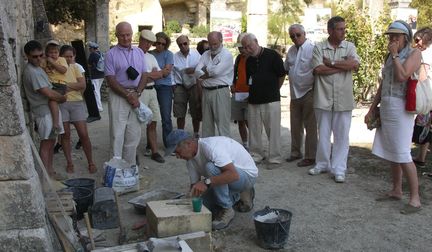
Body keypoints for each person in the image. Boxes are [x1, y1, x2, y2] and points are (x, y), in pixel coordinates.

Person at [366, 20, 422, 214]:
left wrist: (395, 55)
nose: (392, 39)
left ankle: (415, 198)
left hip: (402, 107)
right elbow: (383, 85)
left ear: (405, 37)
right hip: (388, 105)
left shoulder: (414, 53)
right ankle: (396, 190)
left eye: (396, 36)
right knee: (392, 151)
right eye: (390, 36)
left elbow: (402, 75)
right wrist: (373, 107)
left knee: (402, 152)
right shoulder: (389, 57)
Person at [165, 129, 258, 230]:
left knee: (211, 168)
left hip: (247, 175)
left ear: (188, 143)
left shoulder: (210, 147)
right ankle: (237, 195)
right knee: (205, 206)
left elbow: (233, 175)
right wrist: (187, 201)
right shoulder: (190, 161)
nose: (177, 157)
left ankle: (227, 208)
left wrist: (206, 182)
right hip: (229, 178)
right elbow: (195, 187)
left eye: (178, 152)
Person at [308, 16, 360, 183]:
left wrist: (330, 62)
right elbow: (318, 70)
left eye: (344, 29)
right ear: (330, 30)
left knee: (342, 136)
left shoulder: (350, 47)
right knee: (322, 133)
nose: (343, 32)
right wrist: (343, 66)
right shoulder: (319, 47)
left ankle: (339, 169)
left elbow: (354, 65)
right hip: (323, 98)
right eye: (340, 29)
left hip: (344, 100)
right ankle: (322, 164)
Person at [105, 22, 148, 165]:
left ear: (132, 34)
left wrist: (137, 93)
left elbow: (144, 75)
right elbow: (110, 79)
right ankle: (115, 170)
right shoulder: (110, 54)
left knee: (133, 135)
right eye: (122, 35)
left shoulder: (139, 52)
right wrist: (128, 95)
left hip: (136, 95)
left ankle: (129, 170)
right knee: (117, 134)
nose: (125, 38)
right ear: (116, 35)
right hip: (119, 96)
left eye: (128, 34)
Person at [22, 40, 66, 179]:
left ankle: (50, 171)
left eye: (41, 55)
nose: (39, 59)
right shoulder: (32, 72)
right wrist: (62, 98)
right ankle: (45, 176)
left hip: (48, 109)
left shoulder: (38, 68)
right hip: (43, 112)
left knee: (51, 141)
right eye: (35, 56)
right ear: (27, 56)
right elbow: (47, 93)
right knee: (46, 143)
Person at [241, 33, 285, 165]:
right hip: (253, 100)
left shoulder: (272, 55)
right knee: (254, 130)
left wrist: (274, 89)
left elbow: (281, 75)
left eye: (250, 46)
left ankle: (274, 158)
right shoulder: (248, 60)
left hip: (271, 99)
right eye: (245, 47)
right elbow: (250, 80)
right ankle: (256, 155)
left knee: (273, 131)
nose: (248, 49)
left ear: (256, 41)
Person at [58, 45, 96, 174]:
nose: (68, 59)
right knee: (66, 135)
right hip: (62, 103)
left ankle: (91, 161)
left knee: (84, 134)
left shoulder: (75, 67)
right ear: (60, 56)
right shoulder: (56, 69)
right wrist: (72, 87)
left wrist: (65, 85)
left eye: (70, 56)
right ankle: (69, 162)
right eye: (65, 56)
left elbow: (82, 85)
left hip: (77, 103)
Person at [284, 24, 317, 167]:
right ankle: (295, 152)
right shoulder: (291, 51)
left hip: (309, 92)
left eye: (298, 35)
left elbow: (318, 69)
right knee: (295, 125)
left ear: (304, 34)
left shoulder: (312, 48)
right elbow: (286, 69)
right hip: (294, 93)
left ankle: (311, 156)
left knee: (310, 126)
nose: (295, 38)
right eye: (292, 36)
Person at [195, 31, 233, 137]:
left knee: (222, 125)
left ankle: (224, 152)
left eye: (215, 44)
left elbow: (216, 72)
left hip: (220, 91)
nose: (212, 46)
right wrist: (208, 73)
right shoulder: (205, 54)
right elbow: (197, 72)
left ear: (221, 41)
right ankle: (209, 151)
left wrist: (206, 72)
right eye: (210, 43)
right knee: (206, 126)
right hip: (206, 91)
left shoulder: (227, 55)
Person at [138, 30, 165, 163]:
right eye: (146, 41)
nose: (148, 45)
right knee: (136, 123)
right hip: (140, 91)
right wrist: (149, 75)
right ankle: (132, 153)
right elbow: (135, 78)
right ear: (140, 40)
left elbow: (160, 74)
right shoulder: (134, 54)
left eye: (150, 42)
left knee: (153, 121)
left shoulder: (151, 56)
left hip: (151, 90)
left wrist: (146, 75)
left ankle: (154, 151)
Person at [172, 35, 202, 138]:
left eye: (185, 43)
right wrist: (173, 85)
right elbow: (172, 72)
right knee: (180, 112)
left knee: (195, 110)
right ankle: (180, 134)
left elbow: (201, 68)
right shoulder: (175, 56)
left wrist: (193, 70)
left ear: (188, 42)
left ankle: (196, 134)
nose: (183, 46)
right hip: (180, 86)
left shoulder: (196, 54)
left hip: (193, 85)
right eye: (180, 44)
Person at [411, 27, 432, 169]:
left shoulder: (426, 53)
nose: (417, 43)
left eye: (418, 40)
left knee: (424, 126)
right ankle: (421, 157)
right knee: (428, 127)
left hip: (428, 95)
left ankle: (420, 157)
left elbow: (423, 76)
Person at [150, 32, 174, 148]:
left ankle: (169, 144)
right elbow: (146, 71)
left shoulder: (169, 54)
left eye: (163, 44)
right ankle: (150, 145)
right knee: (150, 117)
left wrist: (153, 73)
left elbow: (166, 73)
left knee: (166, 117)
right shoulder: (149, 54)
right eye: (158, 43)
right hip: (151, 86)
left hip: (165, 87)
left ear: (166, 44)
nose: (160, 46)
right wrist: (159, 72)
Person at [41, 40, 68, 134]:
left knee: (52, 101)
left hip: (60, 85)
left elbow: (63, 70)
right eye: (51, 52)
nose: (53, 54)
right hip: (49, 85)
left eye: (55, 52)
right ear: (47, 53)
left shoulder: (61, 60)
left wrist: (52, 62)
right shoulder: (45, 61)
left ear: (59, 53)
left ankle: (56, 123)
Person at [231, 33, 249, 149]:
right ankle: (245, 144)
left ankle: (255, 145)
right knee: (240, 120)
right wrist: (233, 84)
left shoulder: (253, 58)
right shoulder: (238, 58)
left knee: (250, 121)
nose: (240, 49)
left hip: (249, 94)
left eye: (242, 47)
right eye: (239, 47)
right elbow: (235, 73)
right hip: (238, 93)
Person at [88, 41, 105, 113]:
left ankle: (99, 107)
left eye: (89, 48)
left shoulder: (92, 54)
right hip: (101, 75)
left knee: (95, 91)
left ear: (92, 48)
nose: (89, 49)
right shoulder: (100, 54)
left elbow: (88, 64)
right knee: (97, 91)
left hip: (95, 76)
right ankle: (98, 106)